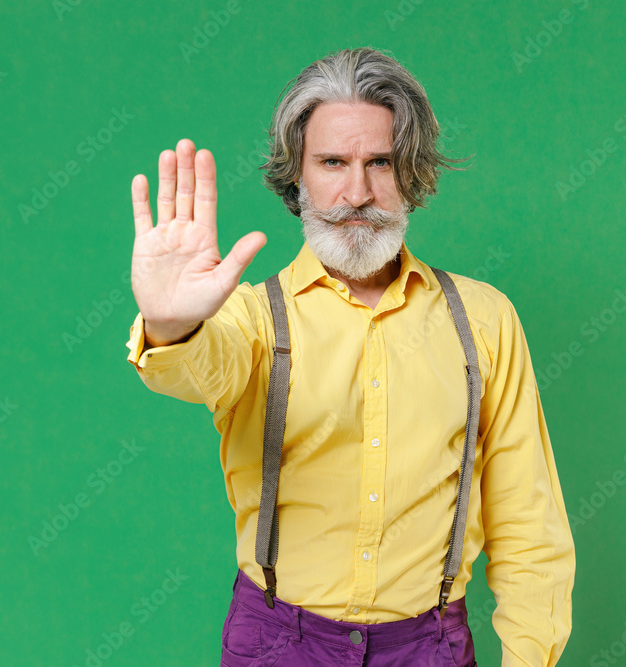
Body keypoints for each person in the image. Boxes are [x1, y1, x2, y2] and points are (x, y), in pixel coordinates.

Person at [125, 47, 575, 666]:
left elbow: (529, 524)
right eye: (332, 162)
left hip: (430, 647)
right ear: (299, 176)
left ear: (410, 175)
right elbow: (201, 366)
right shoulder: (253, 318)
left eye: (381, 163)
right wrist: (172, 324)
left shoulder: (485, 320)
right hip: (280, 643)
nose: (356, 192)